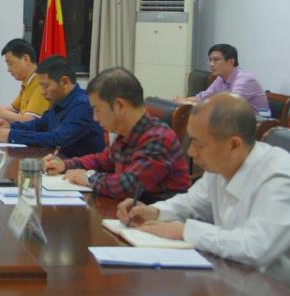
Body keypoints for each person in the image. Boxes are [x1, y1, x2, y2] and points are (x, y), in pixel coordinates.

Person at [118, 93, 290, 296]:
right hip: (239, 285)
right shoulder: (222, 164)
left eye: (198, 143)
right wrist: (155, 211)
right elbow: (191, 203)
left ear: (233, 145)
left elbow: (255, 248)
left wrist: (185, 231)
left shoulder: (281, 177)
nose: (190, 152)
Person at [43, 67, 191, 201]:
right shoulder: (127, 133)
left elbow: (129, 185)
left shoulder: (158, 137)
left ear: (119, 105)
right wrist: (65, 165)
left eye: (97, 109)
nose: (95, 117)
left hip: (159, 218)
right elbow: (101, 161)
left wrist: (89, 178)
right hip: (129, 212)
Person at [0, 56, 105, 158]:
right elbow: (39, 124)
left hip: (81, 170)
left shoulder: (83, 105)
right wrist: (11, 126)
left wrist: (13, 135)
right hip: (60, 163)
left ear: (64, 82)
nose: (42, 92)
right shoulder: (59, 100)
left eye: (46, 86)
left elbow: (58, 139)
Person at [174, 43, 268, 115]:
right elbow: (202, 97)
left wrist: (190, 104)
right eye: (210, 60)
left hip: (259, 125)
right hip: (235, 121)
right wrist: (182, 101)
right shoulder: (220, 78)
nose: (211, 64)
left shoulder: (244, 80)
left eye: (216, 60)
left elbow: (229, 107)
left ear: (231, 61)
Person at [0, 38, 50, 123]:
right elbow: (12, 111)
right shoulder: (27, 82)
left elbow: (29, 121)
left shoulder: (40, 83)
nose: (8, 69)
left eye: (10, 64)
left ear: (26, 59)